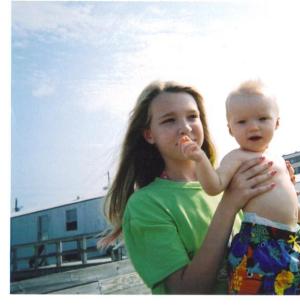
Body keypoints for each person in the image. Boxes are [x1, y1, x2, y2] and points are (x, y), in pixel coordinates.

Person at [97, 80, 277, 294]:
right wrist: (229, 205)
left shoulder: (228, 182)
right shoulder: (145, 205)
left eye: (193, 116)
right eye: (169, 120)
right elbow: (186, 291)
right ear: (149, 135)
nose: (185, 127)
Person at [180, 80, 300, 294]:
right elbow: (214, 186)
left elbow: (288, 196)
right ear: (230, 129)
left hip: (287, 242)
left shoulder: (277, 158)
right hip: (258, 243)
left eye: (262, 118)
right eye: (242, 122)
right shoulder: (237, 157)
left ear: (276, 123)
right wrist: (200, 160)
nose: (253, 126)